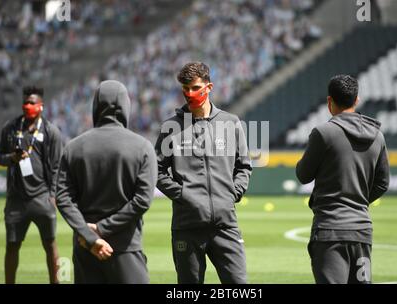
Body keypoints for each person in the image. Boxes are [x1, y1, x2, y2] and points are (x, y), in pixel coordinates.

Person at [155, 62, 252, 284]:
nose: (190, 93)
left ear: (209, 87)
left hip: (225, 225)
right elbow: (157, 170)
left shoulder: (231, 123)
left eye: (195, 88)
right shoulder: (171, 127)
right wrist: (183, 195)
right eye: (185, 89)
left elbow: (244, 166)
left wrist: (232, 194)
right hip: (187, 227)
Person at [56, 80, 157, 284]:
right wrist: (103, 228)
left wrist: (91, 236)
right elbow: (143, 200)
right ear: (125, 106)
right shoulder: (143, 147)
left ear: (95, 106)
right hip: (126, 248)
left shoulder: (73, 148)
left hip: (86, 250)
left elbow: (63, 199)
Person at [296, 75, 390, 284]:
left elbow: (303, 175)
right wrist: (356, 201)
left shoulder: (323, 133)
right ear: (356, 100)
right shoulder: (378, 136)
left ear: (329, 101)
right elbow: (383, 183)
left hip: (329, 230)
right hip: (361, 230)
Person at [0, 86, 63, 284]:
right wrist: (12, 158)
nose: (27, 105)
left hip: (42, 197)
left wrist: (53, 195)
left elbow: (58, 166)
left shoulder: (51, 131)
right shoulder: (10, 127)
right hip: (16, 199)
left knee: (50, 244)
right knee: (12, 246)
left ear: (41, 106)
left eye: (32, 102)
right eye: (25, 102)